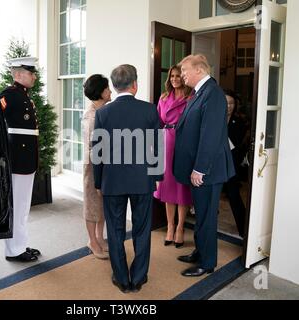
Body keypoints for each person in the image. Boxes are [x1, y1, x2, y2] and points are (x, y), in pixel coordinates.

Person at [92, 64, 162, 293]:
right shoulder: (150, 110)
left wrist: (98, 182)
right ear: (135, 85)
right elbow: (157, 148)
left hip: (112, 182)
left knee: (115, 230)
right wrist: (157, 176)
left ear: (113, 86)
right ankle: (139, 278)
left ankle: (122, 278)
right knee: (142, 229)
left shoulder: (102, 113)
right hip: (142, 180)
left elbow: (98, 152)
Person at [173, 54, 235, 277]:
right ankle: (200, 252)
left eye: (186, 71)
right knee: (200, 214)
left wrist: (200, 169)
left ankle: (207, 263)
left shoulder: (213, 94)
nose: (182, 75)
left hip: (208, 171)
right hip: (200, 168)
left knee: (207, 217)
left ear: (199, 70)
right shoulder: (200, 92)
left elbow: (210, 135)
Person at [0, 57, 42, 262]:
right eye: (30, 72)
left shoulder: (24, 96)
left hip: (26, 158)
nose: (34, 76)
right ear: (17, 74)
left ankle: (20, 244)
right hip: (17, 157)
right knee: (17, 204)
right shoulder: (9, 95)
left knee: (23, 204)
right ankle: (13, 250)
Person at [153, 65, 193, 248]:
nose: (175, 79)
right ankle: (170, 226)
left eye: (178, 76)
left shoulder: (191, 98)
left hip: (184, 142)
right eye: (172, 76)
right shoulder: (163, 98)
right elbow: (158, 122)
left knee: (182, 187)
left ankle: (180, 228)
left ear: (184, 78)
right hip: (166, 143)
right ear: (169, 79)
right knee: (168, 186)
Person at [82, 74, 112, 260]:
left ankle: (100, 237)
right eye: (107, 88)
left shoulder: (105, 110)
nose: (110, 91)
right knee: (92, 202)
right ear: (100, 92)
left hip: (105, 162)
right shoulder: (91, 116)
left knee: (102, 203)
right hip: (93, 164)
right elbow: (95, 147)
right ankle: (92, 240)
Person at [223, 90, 249, 237]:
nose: (229, 106)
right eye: (226, 103)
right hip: (215, 165)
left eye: (231, 103)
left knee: (234, 196)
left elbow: (237, 145)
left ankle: (244, 230)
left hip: (232, 163)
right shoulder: (213, 119)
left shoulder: (238, 122)